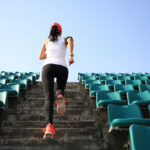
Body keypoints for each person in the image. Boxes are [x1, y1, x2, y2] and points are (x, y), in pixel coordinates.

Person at [38, 22, 74, 139]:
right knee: (59, 89)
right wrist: (70, 55)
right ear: (60, 32)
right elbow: (70, 39)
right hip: (62, 67)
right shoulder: (64, 39)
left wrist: (49, 54)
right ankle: (60, 95)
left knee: (48, 97)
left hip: (48, 67)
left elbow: (40, 56)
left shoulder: (46, 41)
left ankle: (49, 126)